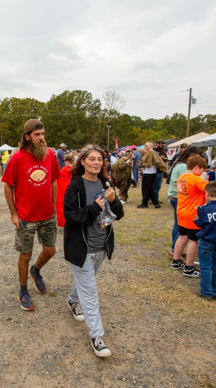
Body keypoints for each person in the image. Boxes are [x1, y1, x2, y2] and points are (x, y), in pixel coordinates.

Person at [63, 144, 124, 358]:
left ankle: (72, 300)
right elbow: (70, 215)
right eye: (92, 159)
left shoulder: (105, 183)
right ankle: (97, 337)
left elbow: (119, 214)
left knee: (84, 282)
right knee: (90, 292)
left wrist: (113, 201)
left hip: (101, 245)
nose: (97, 162)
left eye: (100, 159)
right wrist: (94, 208)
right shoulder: (76, 185)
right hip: (81, 246)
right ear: (83, 161)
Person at [2, 119, 61, 311]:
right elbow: (7, 186)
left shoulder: (50, 154)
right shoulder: (17, 158)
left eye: (43, 134)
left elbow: (53, 181)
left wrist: (53, 205)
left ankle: (36, 271)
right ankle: (23, 291)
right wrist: (14, 214)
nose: (41, 138)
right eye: (37, 135)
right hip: (26, 216)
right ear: (27, 137)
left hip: (47, 214)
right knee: (25, 255)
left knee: (50, 250)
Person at [170, 155, 209, 278]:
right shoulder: (196, 179)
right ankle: (189, 268)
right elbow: (211, 190)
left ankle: (176, 261)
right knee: (194, 240)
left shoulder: (182, 177)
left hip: (182, 211)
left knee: (182, 237)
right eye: (203, 169)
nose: (203, 172)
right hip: (194, 214)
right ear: (196, 167)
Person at [166, 146, 202, 258]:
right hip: (179, 197)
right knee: (182, 228)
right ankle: (174, 249)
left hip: (175, 196)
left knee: (178, 225)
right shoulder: (183, 167)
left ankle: (175, 249)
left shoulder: (179, 164)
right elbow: (188, 182)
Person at [137, 141, 167, 209]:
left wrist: (142, 164)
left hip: (148, 173)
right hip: (152, 173)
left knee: (145, 189)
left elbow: (149, 164)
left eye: (146, 146)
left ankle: (145, 203)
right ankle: (155, 203)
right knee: (151, 189)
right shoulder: (153, 152)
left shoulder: (150, 153)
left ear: (150, 146)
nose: (145, 147)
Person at [56, 153, 75, 228]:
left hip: (64, 192)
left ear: (65, 161)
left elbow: (59, 183)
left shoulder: (63, 170)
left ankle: (64, 222)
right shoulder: (75, 170)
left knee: (64, 208)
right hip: (73, 192)